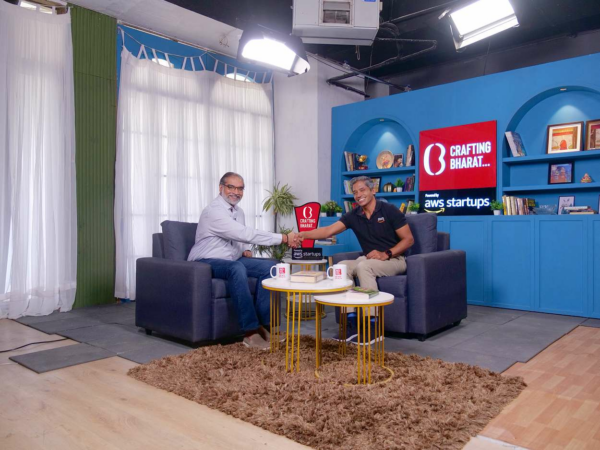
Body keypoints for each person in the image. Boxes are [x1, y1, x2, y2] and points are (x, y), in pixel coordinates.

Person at [297, 175, 414, 343]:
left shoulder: (389, 210)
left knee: (364, 266)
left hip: (394, 260)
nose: (358, 195)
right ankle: (350, 324)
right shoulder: (354, 215)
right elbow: (328, 231)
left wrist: (386, 253)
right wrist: (302, 235)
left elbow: (408, 240)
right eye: (355, 192)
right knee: (341, 267)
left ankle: (373, 327)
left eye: (362, 190)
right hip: (369, 259)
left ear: (373, 190)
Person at [188, 172, 297, 350]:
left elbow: (239, 237)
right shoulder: (213, 212)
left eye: (240, 188)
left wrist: (246, 249)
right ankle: (250, 332)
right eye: (231, 187)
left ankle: (265, 327)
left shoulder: (239, 212)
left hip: (231, 259)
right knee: (236, 268)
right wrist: (283, 238)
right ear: (221, 188)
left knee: (273, 266)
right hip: (205, 261)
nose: (236, 192)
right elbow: (242, 233)